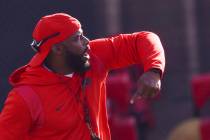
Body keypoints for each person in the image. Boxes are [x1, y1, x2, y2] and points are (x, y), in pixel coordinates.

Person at [0, 13, 165, 140]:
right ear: (57, 49)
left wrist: (154, 70)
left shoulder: (93, 56)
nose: (87, 41)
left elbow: (145, 38)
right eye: (77, 38)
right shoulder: (25, 97)